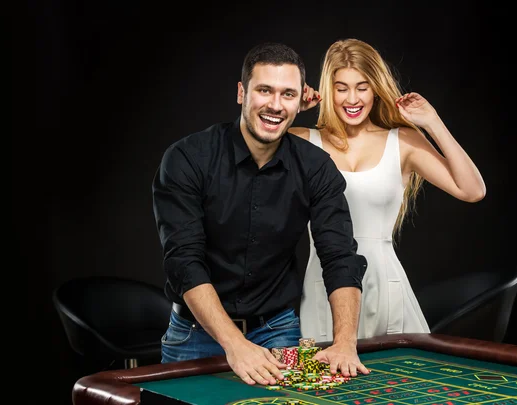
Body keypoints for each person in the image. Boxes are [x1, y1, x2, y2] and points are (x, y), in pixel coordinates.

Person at [152, 42, 370, 387]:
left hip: (277, 330)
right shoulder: (187, 158)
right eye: (264, 90)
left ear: (300, 102)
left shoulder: (316, 168)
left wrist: (344, 342)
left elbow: (340, 256)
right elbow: (184, 262)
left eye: (287, 94)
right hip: (194, 333)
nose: (274, 105)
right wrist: (235, 345)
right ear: (242, 92)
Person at [291, 38, 486, 342]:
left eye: (362, 87)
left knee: (401, 387)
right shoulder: (302, 141)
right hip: (323, 283)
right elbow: (247, 153)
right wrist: (291, 108)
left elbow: (472, 189)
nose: (351, 98)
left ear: (376, 88)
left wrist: (432, 122)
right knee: (325, 386)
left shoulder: (403, 141)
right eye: (341, 88)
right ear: (328, 90)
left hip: (385, 285)